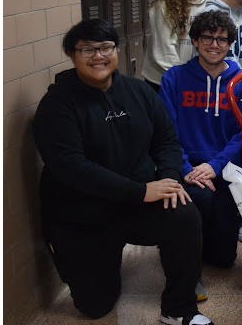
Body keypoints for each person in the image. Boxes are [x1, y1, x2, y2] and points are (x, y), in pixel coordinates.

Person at [33, 19, 212, 325]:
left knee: (184, 212)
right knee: (95, 306)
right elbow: (74, 169)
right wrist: (141, 191)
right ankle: (94, 258)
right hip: (84, 216)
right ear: (72, 55)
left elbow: (166, 139)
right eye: (87, 50)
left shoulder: (138, 91)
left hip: (136, 205)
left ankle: (179, 309)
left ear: (116, 50)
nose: (98, 56)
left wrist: (168, 178)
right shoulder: (57, 105)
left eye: (105, 47)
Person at [159, 10, 242, 272]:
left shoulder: (240, 80)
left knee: (223, 259)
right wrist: (187, 169)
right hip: (186, 171)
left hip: (225, 170)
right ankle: (181, 251)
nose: (214, 45)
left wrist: (216, 166)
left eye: (222, 39)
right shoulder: (174, 79)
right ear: (195, 41)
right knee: (199, 202)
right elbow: (166, 133)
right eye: (207, 38)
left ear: (230, 44)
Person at [140, 0, 218, 88]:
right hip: (164, 81)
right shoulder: (165, 6)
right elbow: (165, 52)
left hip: (196, 80)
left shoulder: (212, 5)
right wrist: (184, 80)